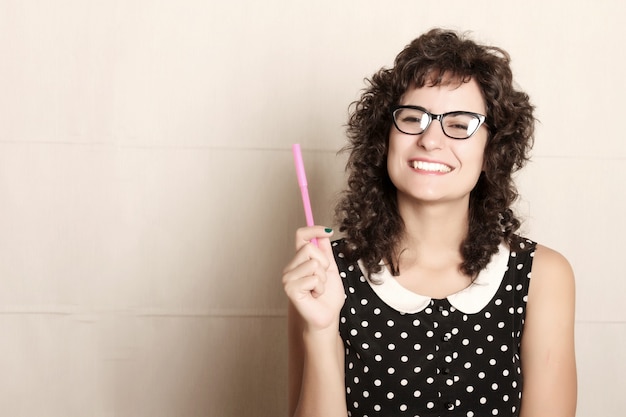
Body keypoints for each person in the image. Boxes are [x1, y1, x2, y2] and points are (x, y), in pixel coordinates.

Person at [282, 28, 576, 417]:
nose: (431, 140)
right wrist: (320, 331)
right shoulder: (323, 275)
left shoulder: (543, 275)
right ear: (384, 138)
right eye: (412, 118)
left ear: (494, 148)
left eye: (459, 124)